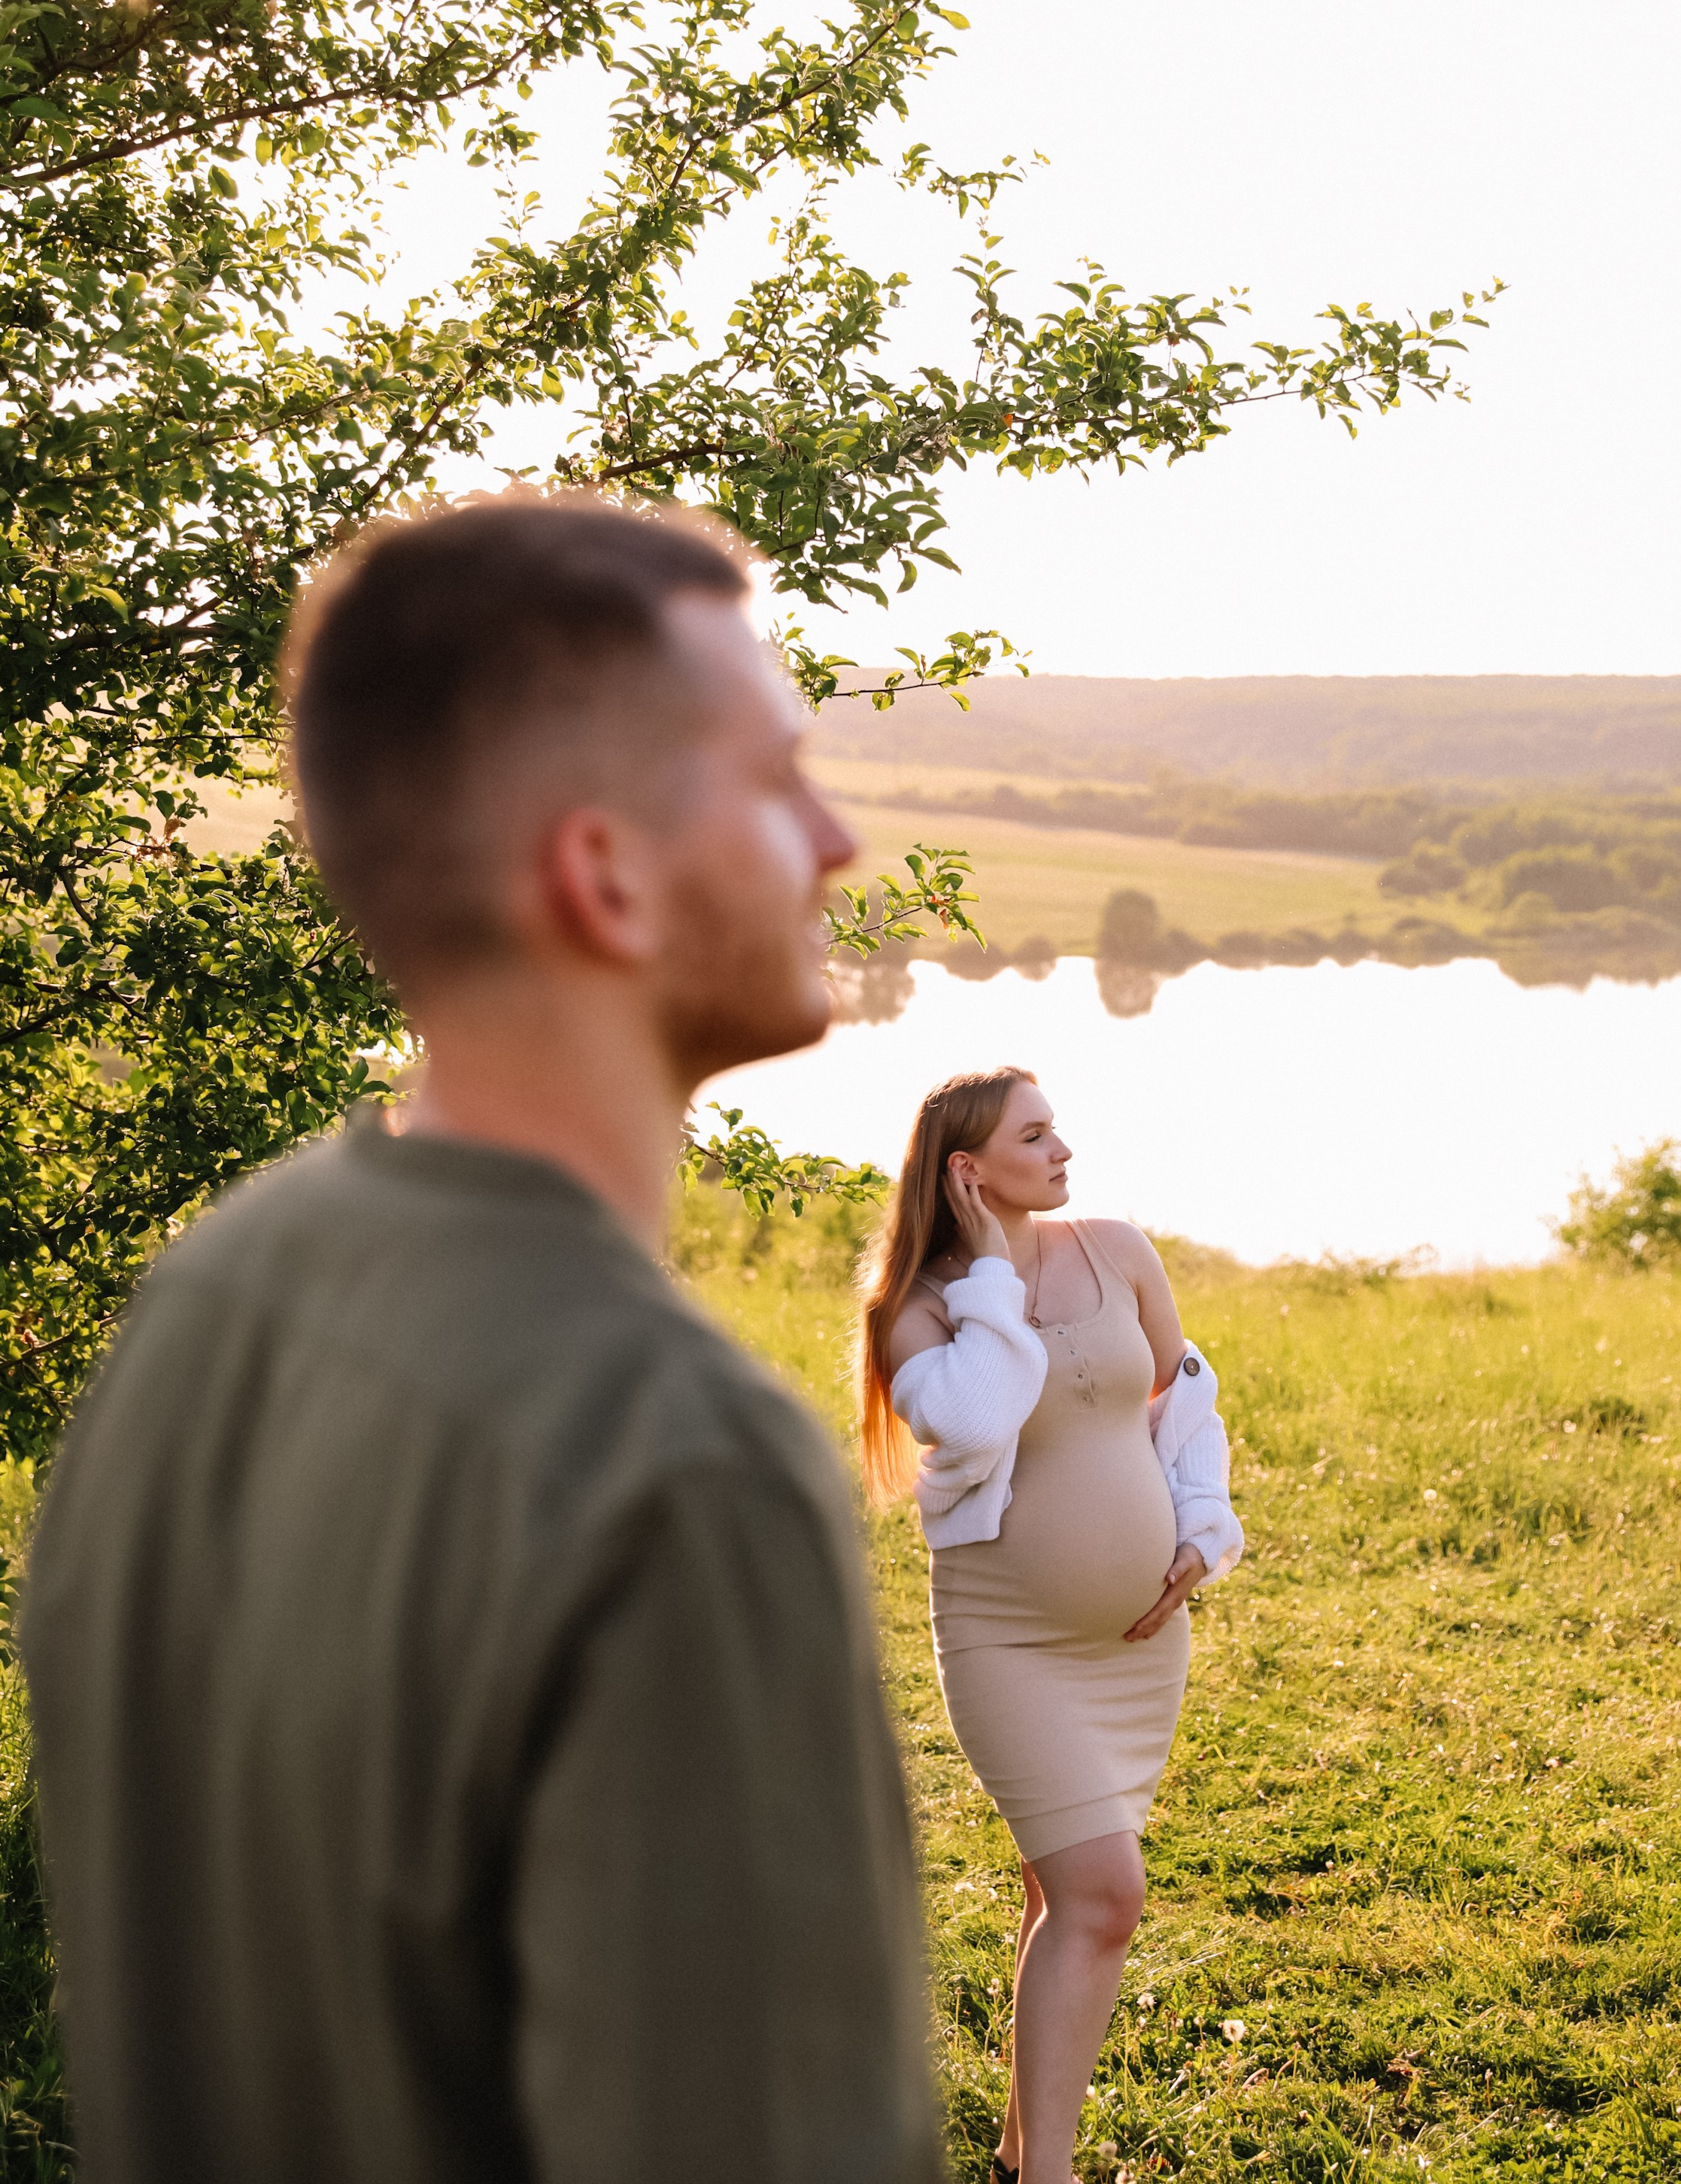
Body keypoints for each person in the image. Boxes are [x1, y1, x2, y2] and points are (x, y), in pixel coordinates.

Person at [22, 495, 943, 2184]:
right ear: (602, 873)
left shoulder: (216, 1295)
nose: (834, 843)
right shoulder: (669, 1463)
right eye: (772, 778)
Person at [857, 1068, 1243, 2184]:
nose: (1063, 1146)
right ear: (971, 1171)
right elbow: (977, 1411)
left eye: (1057, 1124)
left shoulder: (1117, 1248)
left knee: (1058, 1890)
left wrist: (1202, 1528)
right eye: (1036, 1133)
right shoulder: (919, 1306)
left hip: (1133, 1647)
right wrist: (988, 1270)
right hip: (1010, 1644)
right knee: (1105, 1891)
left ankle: (1025, 2152)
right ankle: (1047, 2178)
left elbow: (1184, 1398)